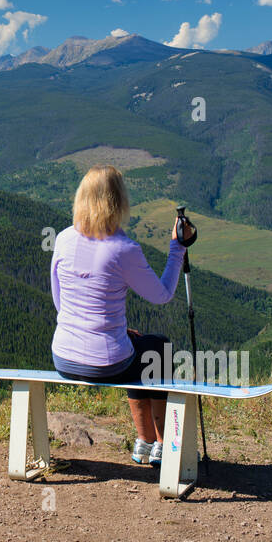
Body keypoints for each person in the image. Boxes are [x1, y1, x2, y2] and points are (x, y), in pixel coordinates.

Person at [49, 165, 193, 466]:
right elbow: (162, 295)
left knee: (132, 349)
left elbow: (60, 303)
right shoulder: (123, 249)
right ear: (118, 201)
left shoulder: (62, 239)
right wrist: (176, 247)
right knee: (157, 348)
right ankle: (161, 444)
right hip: (106, 362)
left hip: (63, 357)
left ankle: (144, 442)